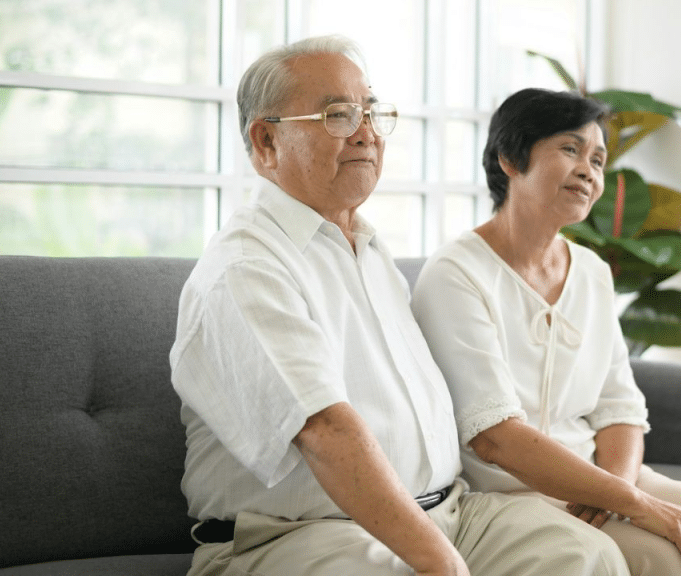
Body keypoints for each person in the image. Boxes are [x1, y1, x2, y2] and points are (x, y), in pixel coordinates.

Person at [169, 38, 631, 576]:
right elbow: (324, 431)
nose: (365, 131)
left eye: (369, 112)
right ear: (266, 140)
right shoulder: (246, 268)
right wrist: (442, 563)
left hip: (448, 514)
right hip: (303, 538)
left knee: (584, 555)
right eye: (338, 115)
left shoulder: (366, 249)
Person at [411, 88, 681, 576]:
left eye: (598, 160)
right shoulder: (456, 273)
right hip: (509, 491)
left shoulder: (593, 272)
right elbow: (495, 439)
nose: (589, 171)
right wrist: (626, 501)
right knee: (664, 557)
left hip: (602, 478)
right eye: (570, 149)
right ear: (511, 160)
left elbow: (618, 408)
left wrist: (622, 494)